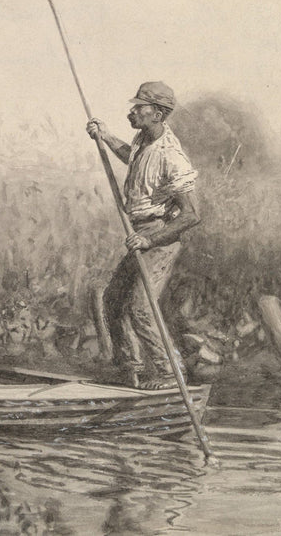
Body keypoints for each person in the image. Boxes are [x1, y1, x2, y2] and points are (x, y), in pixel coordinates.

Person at [86, 82, 200, 390]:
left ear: (159, 114)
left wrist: (150, 240)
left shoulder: (171, 155)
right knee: (112, 301)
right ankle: (131, 368)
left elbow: (191, 214)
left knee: (140, 308)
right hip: (139, 233)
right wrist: (105, 136)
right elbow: (133, 158)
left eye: (140, 107)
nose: (132, 111)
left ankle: (169, 374)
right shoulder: (143, 139)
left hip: (159, 237)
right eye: (134, 106)